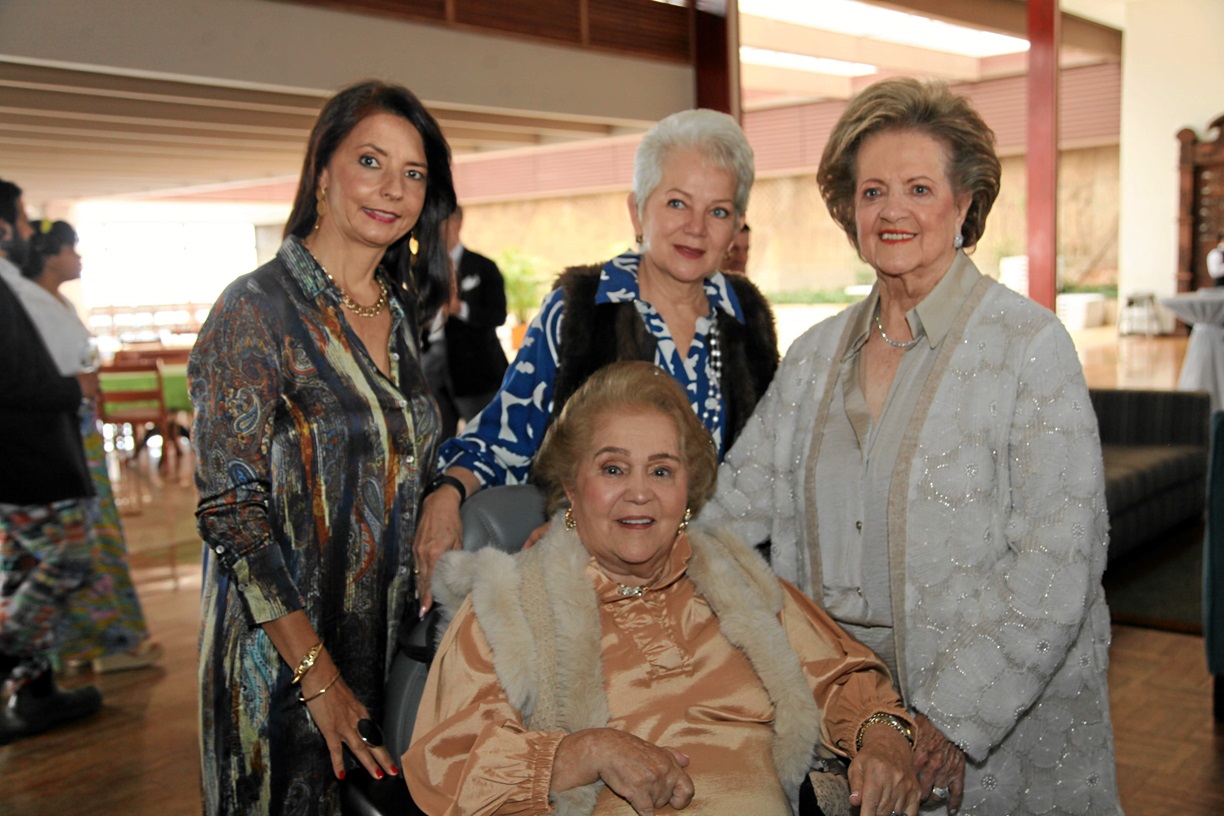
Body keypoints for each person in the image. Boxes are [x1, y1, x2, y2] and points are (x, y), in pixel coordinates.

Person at [699, 78, 1122, 816]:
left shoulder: (1028, 348)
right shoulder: (814, 354)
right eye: (872, 192)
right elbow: (735, 507)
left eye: (919, 188)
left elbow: (1060, 559)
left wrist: (951, 723)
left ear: (964, 205)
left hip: (992, 723)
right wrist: (612, 545)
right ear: (849, 209)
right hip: (844, 717)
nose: (893, 210)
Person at [405, 361, 921, 816]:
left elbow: (844, 679)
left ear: (687, 492)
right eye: (613, 469)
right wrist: (585, 752)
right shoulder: (508, 604)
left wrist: (884, 741)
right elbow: (450, 764)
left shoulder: (736, 578)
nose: (639, 492)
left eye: (661, 470)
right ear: (569, 485)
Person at [189, 80, 456, 815]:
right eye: (371, 161)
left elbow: (408, 454)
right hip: (279, 668)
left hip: (385, 653)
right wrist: (318, 676)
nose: (392, 189)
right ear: (322, 172)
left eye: (413, 174)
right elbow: (232, 515)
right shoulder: (255, 310)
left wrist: (445, 491)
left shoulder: (395, 311)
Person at [413, 109, 780, 611]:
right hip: (597, 583)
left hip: (718, 588)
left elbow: (769, 465)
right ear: (637, 211)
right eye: (677, 203)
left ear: (736, 225)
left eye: (718, 212)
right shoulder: (582, 308)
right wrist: (446, 493)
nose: (696, 228)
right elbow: (504, 433)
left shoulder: (748, 318)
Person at [19, 220, 162, 675]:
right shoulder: (29, 303)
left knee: (98, 531)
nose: (78, 258)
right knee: (77, 537)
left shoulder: (54, 302)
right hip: (59, 430)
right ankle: (83, 642)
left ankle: (103, 639)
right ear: (48, 255)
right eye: (71, 249)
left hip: (78, 426)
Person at [0, 179, 104, 743]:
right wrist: (75, 388)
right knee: (68, 562)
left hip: (22, 461)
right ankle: (8, 669)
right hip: (28, 459)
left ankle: (36, 695)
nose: (25, 229)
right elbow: (10, 382)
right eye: (19, 217)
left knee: (19, 575)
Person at [420, 204, 509, 439]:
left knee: (483, 436)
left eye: (441, 224)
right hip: (431, 366)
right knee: (437, 437)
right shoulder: (422, 270)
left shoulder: (482, 267)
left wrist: (459, 308)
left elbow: (497, 315)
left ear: (457, 223)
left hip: (475, 369)